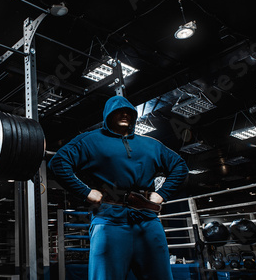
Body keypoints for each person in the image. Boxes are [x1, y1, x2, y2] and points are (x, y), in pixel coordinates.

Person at [48, 95, 189, 280]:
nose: (124, 114)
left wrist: (162, 194)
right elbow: (58, 162)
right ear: (108, 115)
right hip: (109, 221)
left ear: (134, 115)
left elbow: (180, 166)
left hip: (148, 220)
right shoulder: (90, 140)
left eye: (128, 111)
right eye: (118, 111)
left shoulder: (151, 144)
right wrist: (86, 192)